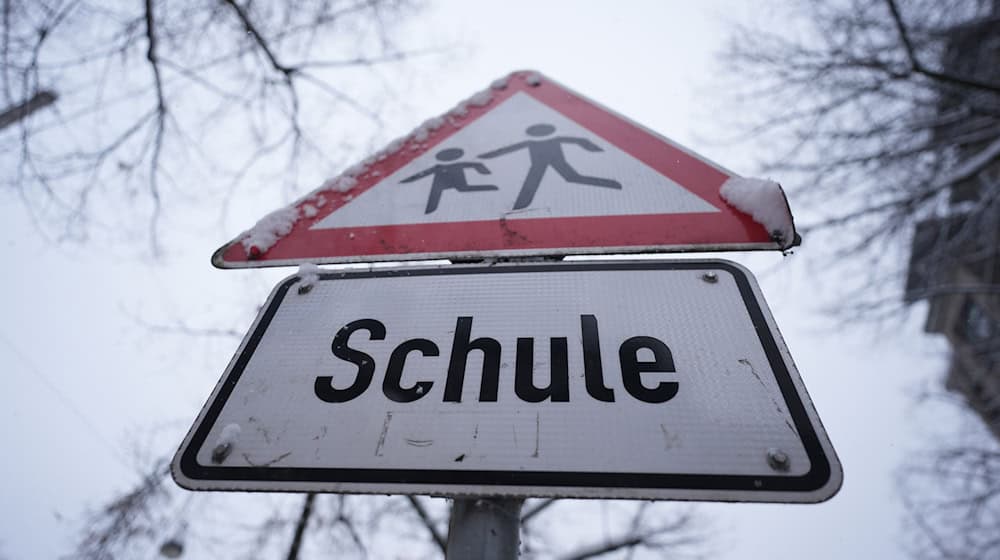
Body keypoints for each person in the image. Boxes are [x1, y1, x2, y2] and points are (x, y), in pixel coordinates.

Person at [479, 123, 622, 210]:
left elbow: (578, 140)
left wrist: (591, 146)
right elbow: (508, 149)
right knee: (534, 182)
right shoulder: (531, 143)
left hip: (555, 162)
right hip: (539, 164)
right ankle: (519, 207)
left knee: (572, 178)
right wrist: (487, 156)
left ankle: (610, 183)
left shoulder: (554, 140)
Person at [399, 148, 497, 214]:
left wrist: (483, 171)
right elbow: (423, 173)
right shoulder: (438, 167)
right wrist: (407, 180)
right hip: (439, 182)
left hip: (454, 179)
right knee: (434, 197)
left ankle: (491, 187)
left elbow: (475, 165)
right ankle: (429, 211)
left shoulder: (455, 165)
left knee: (463, 189)